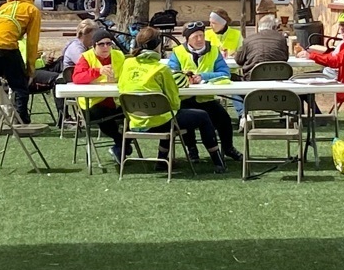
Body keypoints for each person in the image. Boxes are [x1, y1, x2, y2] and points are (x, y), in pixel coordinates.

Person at [118, 27, 226, 173]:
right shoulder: (161, 69)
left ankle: (162, 161)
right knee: (200, 116)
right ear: (158, 45)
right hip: (161, 121)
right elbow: (174, 101)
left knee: (167, 115)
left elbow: (121, 88)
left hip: (134, 120)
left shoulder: (127, 64)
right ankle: (218, 161)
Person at [167, 21, 243, 162]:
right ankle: (192, 150)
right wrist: (185, 76)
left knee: (224, 119)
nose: (200, 39)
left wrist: (203, 76)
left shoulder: (213, 50)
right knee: (186, 119)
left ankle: (228, 148)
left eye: (202, 35)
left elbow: (225, 73)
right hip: (185, 99)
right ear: (187, 39)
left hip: (206, 99)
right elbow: (171, 72)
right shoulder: (178, 52)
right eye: (195, 36)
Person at [0, 0, 41, 136]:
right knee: (20, 85)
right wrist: (30, 68)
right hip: (7, 44)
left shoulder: (4, 6)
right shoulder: (32, 10)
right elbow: (32, 42)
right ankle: (21, 123)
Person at [72, 28, 127, 164]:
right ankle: (122, 143)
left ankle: (121, 147)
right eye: (101, 44)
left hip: (116, 100)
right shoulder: (86, 57)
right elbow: (77, 78)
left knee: (136, 114)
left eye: (109, 43)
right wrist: (98, 71)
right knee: (103, 116)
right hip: (93, 104)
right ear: (94, 45)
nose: (106, 47)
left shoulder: (119, 55)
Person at [296, 11, 344, 105]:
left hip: (340, 78)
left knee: (298, 84)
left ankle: (314, 116)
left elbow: (336, 61)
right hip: (333, 73)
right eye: (340, 25)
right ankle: (314, 116)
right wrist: (311, 53)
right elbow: (333, 56)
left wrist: (311, 56)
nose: (341, 28)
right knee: (298, 82)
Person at [233, 14, 290, 129]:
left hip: (252, 82)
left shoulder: (248, 40)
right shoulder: (281, 39)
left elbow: (238, 60)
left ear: (259, 27)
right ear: (275, 27)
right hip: (279, 83)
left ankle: (243, 115)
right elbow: (285, 57)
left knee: (233, 84)